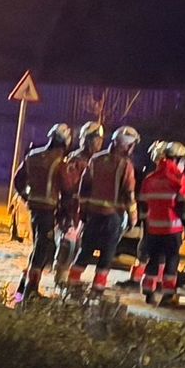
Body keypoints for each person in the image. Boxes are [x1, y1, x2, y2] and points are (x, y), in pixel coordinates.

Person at [68, 126, 139, 296]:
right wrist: (133, 216)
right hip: (112, 218)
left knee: (85, 251)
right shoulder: (125, 165)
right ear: (127, 146)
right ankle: (96, 291)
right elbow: (129, 194)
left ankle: (72, 286)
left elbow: (83, 189)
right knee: (106, 255)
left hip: (92, 215)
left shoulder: (95, 160)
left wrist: (83, 212)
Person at [12, 123, 73, 300]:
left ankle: (24, 286)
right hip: (47, 211)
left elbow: (18, 180)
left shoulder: (33, 155)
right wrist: (66, 214)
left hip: (34, 209)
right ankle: (30, 290)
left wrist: (26, 196)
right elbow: (67, 190)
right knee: (42, 250)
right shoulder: (59, 162)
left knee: (38, 247)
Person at [138, 140, 185, 306]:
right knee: (171, 261)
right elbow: (184, 204)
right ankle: (169, 295)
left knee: (154, 260)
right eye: (182, 161)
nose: (183, 165)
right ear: (175, 159)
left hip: (154, 229)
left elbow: (142, 205)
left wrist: (147, 226)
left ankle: (148, 291)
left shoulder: (150, 179)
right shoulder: (178, 178)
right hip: (172, 229)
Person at [52, 122, 104, 291]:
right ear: (87, 140)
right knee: (67, 246)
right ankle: (60, 280)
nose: (99, 143)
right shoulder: (76, 160)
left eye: (100, 139)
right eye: (96, 139)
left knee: (78, 248)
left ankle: (69, 283)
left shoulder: (97, 161)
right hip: (70, 211)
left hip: (83, 213)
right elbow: (68, 187)